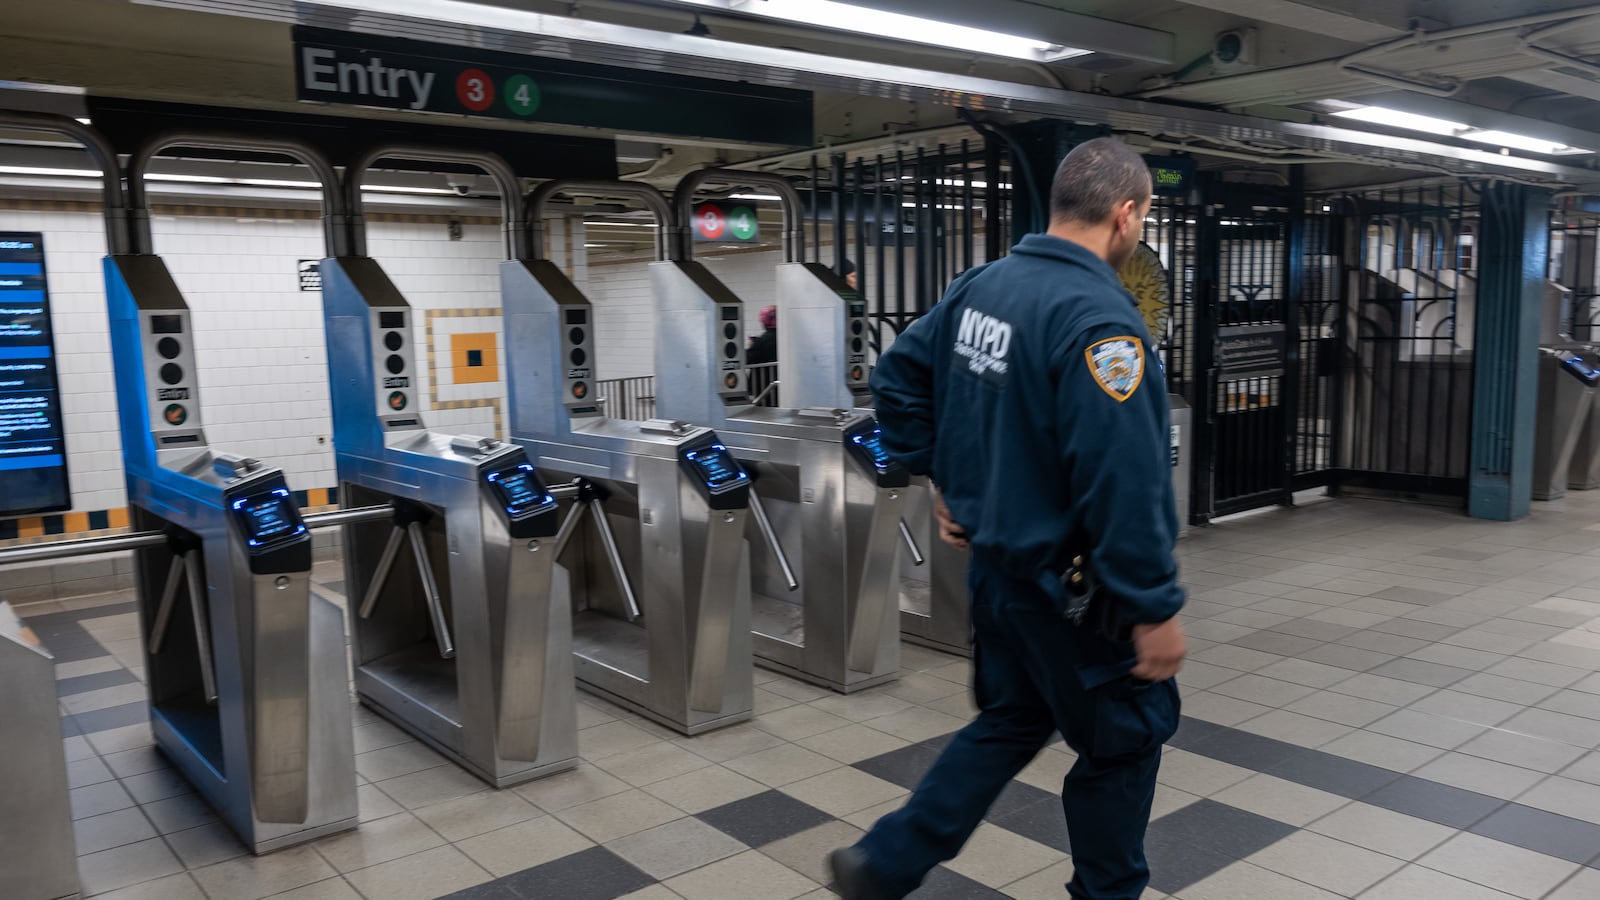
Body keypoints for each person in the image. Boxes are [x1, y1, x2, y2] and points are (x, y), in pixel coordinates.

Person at [827, 137, 1187, 900]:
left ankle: (888, 859)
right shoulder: (1102, 323)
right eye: (1145, 218)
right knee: (1122, 748)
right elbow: (1122, 482)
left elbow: (897, 379)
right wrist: (1154, 607)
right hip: (1080, 599)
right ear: (1126, 214)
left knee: (1013, 718)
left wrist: (943, 480)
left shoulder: (981, 288)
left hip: (997, 579)